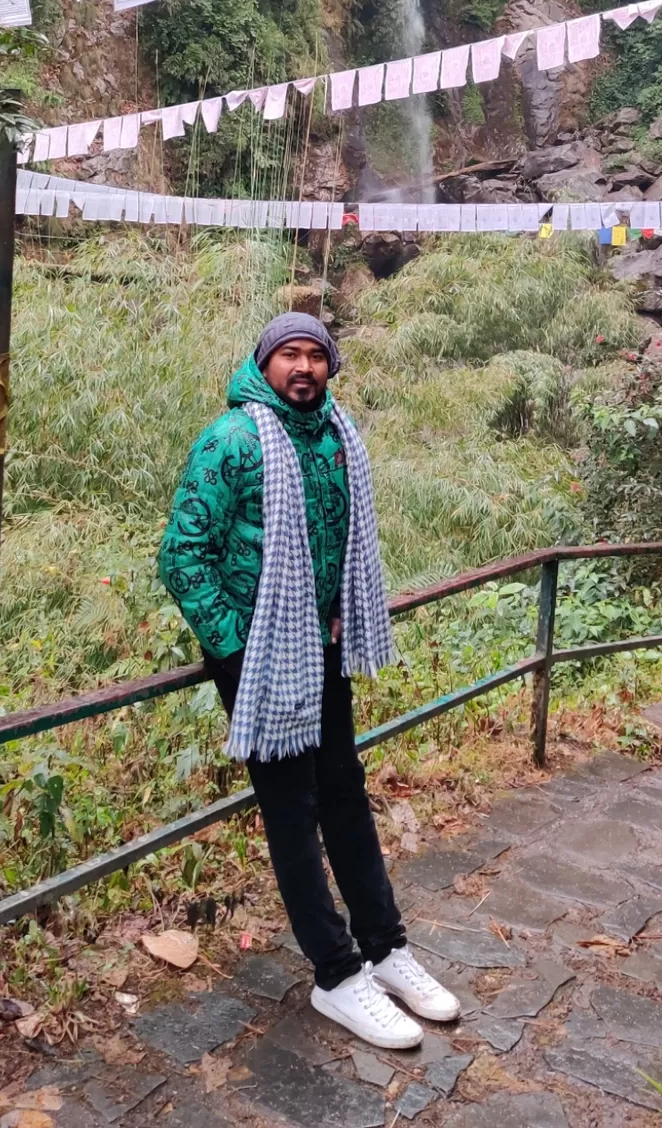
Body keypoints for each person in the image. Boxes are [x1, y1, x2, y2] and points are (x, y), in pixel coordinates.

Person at [158, 312, 459, 1050]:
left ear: (330, 367)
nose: (302, 367)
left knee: (346, 796)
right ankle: (337, 975)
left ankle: (387, 951)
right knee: (293, 810)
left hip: (319, 646)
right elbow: (182, 554)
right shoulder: (232, 441)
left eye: (314, 356)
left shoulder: (334, 434)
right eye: (288, 355)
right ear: (264, 365)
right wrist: (234, 649)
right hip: (260, 656)